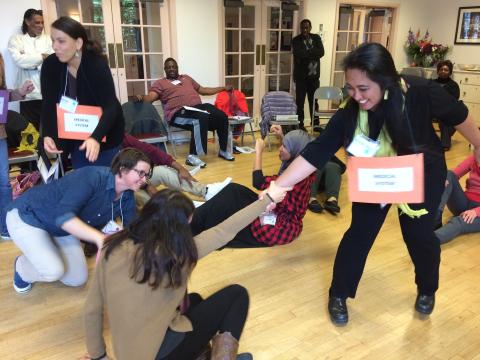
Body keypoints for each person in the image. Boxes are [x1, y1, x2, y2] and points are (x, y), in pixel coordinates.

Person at [266, 43, 480, 325]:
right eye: (350, 88)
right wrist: (278, 186)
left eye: (363, 88)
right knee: (360, 234)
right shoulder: (350, 111)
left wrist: (478, 144)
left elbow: (459, 116)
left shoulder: (420, 93)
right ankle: (339, 294)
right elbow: (317, 151)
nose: (356, 95)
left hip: (421, 173)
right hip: (374, 175)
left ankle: (427, 289)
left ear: (385, 79)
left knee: (419, 236)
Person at [82, 185, 289, 360]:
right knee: (237, 295)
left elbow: (92, 309)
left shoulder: (112, 247)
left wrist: (99, 356)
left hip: (128, 353)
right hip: (158, 354)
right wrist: (266, 200)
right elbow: (224, 231)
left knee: (196, 300)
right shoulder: (176, 255)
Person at [6, 148, 151, 293]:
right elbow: (63, 217)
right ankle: (21, 267)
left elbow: (132, 234)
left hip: (60, 229)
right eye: (141, 173)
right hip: (29, 215)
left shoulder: (127, 197)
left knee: (77, 279)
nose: (145, 180)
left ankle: (45, 252)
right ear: (123, 169)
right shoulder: (93, 176)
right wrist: (100, 238)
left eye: (147, 175)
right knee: (53, 270)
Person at [191, 130, 315, 247]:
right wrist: (282, 136)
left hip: (281, 223)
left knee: (232, 220)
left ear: (295, 152)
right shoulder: (299, 165)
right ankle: (195, 218)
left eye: (284, 146)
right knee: (233, 191)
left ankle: (192, 222)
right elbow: (294, 149)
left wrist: (258, 152)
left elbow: (258, 181)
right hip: (278, 207)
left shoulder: (296, 178)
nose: (280, 148)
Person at [41, 17, 124, 169]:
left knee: (109, 182)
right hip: (76, 134)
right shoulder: (50, 65)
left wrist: (95, 137)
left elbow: (111, 107)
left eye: (61, 41)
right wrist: (47, 134)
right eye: (53, 41)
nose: (55, 46)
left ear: (78, 43)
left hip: (106, 133)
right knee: (84, 180)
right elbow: (48, 104)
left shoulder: (96, 65)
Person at [138, 58, 234, 168]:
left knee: (221, 116)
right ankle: (192, 157)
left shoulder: (186, 78)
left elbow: (203, 90)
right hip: (177, 113)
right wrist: (141, 97)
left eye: (173, 67)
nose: (171, 69)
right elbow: (150, 97)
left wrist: (223, 88)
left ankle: (223, 150)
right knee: (200, 118)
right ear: (165, 69)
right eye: (169, 67)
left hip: (197, 108)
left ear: (177, 68)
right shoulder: (160, 83)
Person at [122, 133, 232, 205]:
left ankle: (206, 191)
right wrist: (146, 185)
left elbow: (150, 150)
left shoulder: (120, 136)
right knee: (140, 196)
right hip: (118, 188)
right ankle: (180, 209)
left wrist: (180, 168)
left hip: (137, 178)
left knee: (161, 171)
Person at [0, 54, 34, 240]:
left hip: (0, 137)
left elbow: (6, 94)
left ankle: (5, 228)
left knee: (4, 183)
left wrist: (21, 91)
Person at [8, 9, 53, 130]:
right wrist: (42, 56)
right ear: (27, 22)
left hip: (48, 93)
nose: (41, 26)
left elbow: (53, 62)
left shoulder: (49, 40)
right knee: (30, 134)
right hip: (27, 96)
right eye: (37, 22)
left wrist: (30, 61)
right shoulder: (16, 40)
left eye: (42, 22)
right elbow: (19, 61)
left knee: (49, 132)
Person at [434, 154, 480, 244]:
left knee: (458, 222)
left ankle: (428, 241)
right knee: (448, 175)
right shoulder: (474, 157)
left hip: (478, 213)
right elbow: (453, 175)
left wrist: (476, 212)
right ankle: (435, 217)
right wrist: (445, 180)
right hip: (465, 203)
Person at [292, 19, 325, 131]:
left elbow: (321, 52)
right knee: (300, 103)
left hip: (314, 77)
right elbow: (298, 53)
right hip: (301, 78)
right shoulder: (296, 40)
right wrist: (312, 53)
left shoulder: (316, 38)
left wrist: (307, 53)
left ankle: (315, 124)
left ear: (310, 28)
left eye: (306, 27)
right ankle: (300, 125)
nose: (304, 30)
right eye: (303, 28)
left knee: (314, 102)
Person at [434, 60, 460, 150]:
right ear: (438, 71)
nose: (443, 71)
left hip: (446, 110)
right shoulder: (432, 83)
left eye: (446, 70)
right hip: (432, 109)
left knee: (447, 117)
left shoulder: (453, 85)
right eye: (441, 69)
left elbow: (454, 100)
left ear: (450, 72)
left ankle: (445, 144)